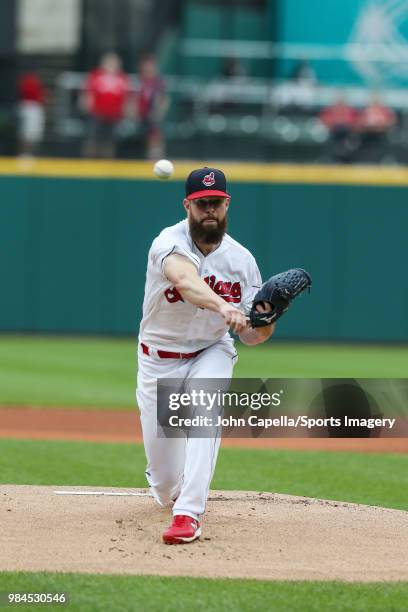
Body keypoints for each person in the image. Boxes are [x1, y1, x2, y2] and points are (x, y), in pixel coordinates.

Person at [136, 167, 275, 544]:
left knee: (204, 407)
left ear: (227, 204)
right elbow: (185, 281)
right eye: (201, 204)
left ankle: (189, 515)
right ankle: (174, 494)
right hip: (157, 359)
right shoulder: (168, 242)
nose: (209, 210)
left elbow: (253, 337)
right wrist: (221, 306)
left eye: (216, 202)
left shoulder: (242, 261)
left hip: (209, 350)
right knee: (165, 483)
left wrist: (266, 318)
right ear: (187, 206)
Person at [80, 52, 130, 158]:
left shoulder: (122, 77)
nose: (112, 65)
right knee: (92, 139)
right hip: (97, 114)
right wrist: (86, 107)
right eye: (109, 62)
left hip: (114, 115)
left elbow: (126, 97)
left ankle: (107, 166)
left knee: (109, 142)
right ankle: (89, 165)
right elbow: (88, 93)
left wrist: (126, 111)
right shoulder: (96, 75)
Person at [135, 55, 168, 160]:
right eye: (146, 67)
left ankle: (155, 158)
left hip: (153, 117)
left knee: (155, 136)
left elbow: (164, 100)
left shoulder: (158, 83)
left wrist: (159, 112)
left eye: (151, 67)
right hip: (140, 116)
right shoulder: (139, 81)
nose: (148, 69)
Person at [319, 96, 360, 163]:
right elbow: (324, 120)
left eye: (342, 102)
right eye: (338, 103)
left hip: (347, 133)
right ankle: (329, 159)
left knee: (352, 139)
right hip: (333, 132)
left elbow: (356, 122)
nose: (340, 104)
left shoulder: (350, 111)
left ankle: (349, 160)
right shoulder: (330, 110)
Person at [358, 95, 396, 163]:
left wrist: (382, 126)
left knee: (386, 141)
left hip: (382, 132)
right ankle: (365, 159)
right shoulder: (367, 111)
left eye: (377, 101)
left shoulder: (385, 111)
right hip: (368, 133)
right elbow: (361, 122)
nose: (376, 103)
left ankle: (385, 159)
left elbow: (391, 121)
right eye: (374, 101)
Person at [17, 72, 47, 158]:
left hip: (32, 107)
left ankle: (29, 155)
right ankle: (25, 155)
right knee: (27, 134)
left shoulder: (30, 80)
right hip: (30, 107)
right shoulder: (30, 80)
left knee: (32, 135)